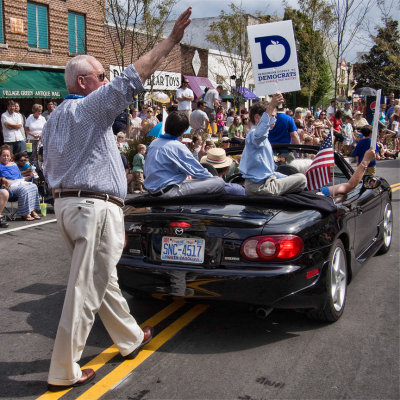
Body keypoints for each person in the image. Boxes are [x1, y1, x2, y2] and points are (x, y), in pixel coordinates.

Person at [41, 7, 193, 391]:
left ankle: (128, 337)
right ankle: (64, 368)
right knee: (85, 288)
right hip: (93, 207)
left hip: (69, 206)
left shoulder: (57, 116)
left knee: (101, 279)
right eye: (101, 76)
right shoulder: (88, 108)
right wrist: (171, 41)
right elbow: (133, 77)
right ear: (83, 81)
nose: (106, 81)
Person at [143, 111, 225, 198]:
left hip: (153, 191)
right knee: (219, 182)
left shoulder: (154, 143)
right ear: (184, 131)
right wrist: (212, 179)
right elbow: (198, 172)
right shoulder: (177, 146)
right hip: (168, 192)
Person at [239, 94, 307, 196]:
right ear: (257, 117)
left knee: (297, 177)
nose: (274, 120)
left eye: (275, 117)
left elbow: (270, 173)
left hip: (262, 185)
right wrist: (271, 106)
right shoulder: (254, 134)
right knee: (302, 179)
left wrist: (286, 178)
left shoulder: (261, 140)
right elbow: (260, 133)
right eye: (271, 116)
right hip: (261, 187)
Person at [0, 145, 41, 220]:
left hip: (19, 182)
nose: (6, 157)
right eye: (3, 156)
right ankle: (24, 213)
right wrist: (3, 179)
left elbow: (20, 178)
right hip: (8, 186)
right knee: (23, 190)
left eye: (7, 156)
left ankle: (32, 211)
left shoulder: (13, 164)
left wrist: (30, 176)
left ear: (10, 157)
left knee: (34, 186)